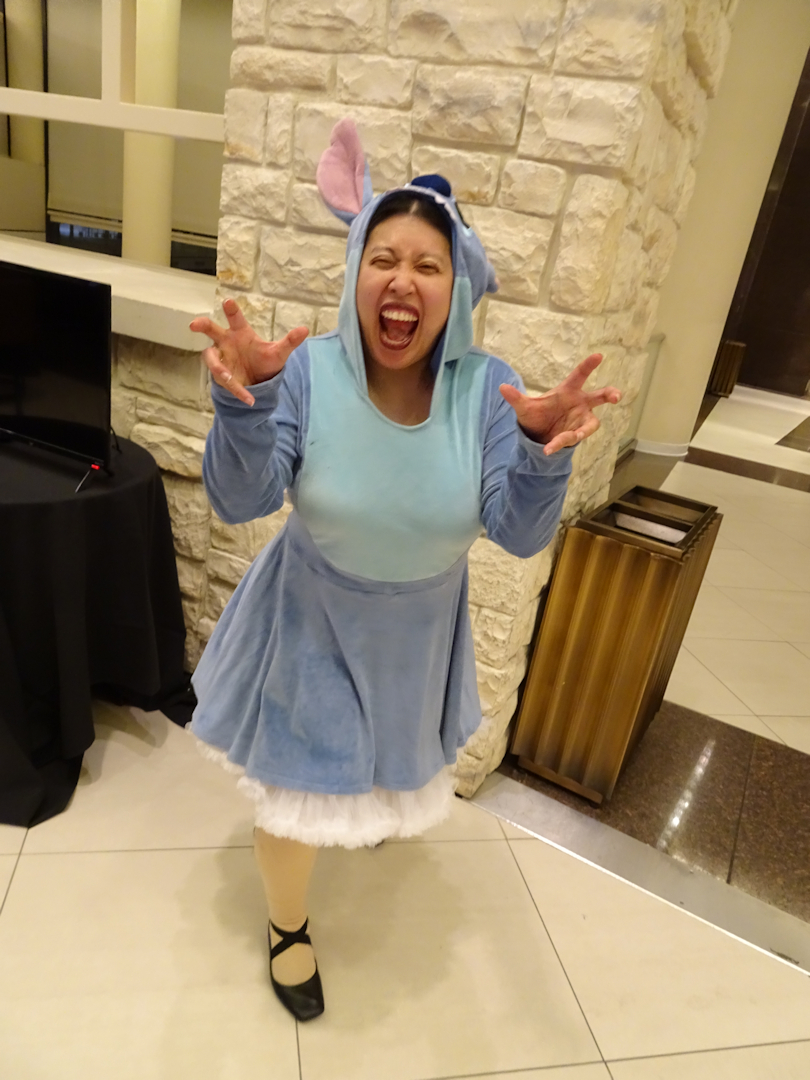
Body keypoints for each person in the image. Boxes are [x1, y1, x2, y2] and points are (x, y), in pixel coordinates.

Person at [188, 120, 621, 1022]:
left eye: (428, 265)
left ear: (456, 288)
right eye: (383, 258)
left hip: (419, 635)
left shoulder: (489, 388)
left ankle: (369, 799)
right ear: (355, 271)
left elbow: (517, 533)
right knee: (297, 796)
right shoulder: (308, 372)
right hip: (309, 622)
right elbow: (238, 499)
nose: (402, 280)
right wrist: (249, 406)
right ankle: (286, 926)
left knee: (386, 764)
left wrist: (541, 452)